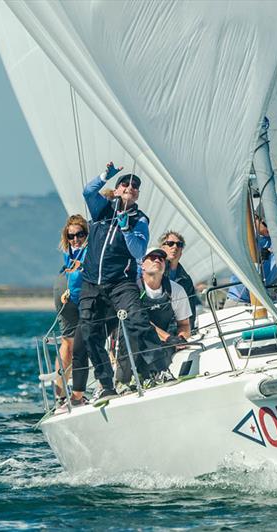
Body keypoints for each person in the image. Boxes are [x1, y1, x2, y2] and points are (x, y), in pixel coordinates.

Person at [78, 161, 164, 400]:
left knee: (137, 320)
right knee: (89, 332)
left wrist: (127, 230)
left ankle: (160, 370)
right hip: (91, 282)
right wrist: (105, 175)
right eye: (125, 184)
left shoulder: (140, 220)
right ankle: (106, 385)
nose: (130, 187)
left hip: (120, 282)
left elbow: (138, 252)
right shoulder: (102, 210)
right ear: (116, 190)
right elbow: (87, 191)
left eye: (135, 186)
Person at [116, 248, 192, 387]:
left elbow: (184, 325)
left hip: (162, 346)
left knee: (167, 351)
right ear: (141, 265)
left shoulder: (176, 290)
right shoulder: (131, 290)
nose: (157, 260)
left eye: (161, 258)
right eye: (152, 257)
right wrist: (169, 337)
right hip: (132, 347)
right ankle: (124, 383)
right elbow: (141, 322)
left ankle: (160, 374)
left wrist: (181, 338)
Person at [53, 214, 90, 407]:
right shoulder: (87, 250)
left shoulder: (69, 251)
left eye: (80, 234)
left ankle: (60, 396)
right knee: (72, 343)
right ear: (66, 238)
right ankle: (63, 395)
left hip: (65, 287)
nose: (75, 239)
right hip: (71, 291)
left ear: (86, 234)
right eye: (71, 236)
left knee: (69, 342)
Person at [158, 230, 198, 330]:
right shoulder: (155, 273)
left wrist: (188, 332)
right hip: (158, 331)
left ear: (181, 252)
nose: (175, 247)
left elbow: (190, 310)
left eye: (179, 244)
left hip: (178, 330)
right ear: (162, 248)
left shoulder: (186, 279)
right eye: (170, 243)